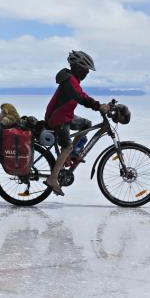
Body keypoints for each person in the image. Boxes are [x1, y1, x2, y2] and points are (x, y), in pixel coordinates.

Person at [43, 50, 110, 196]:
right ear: (78, 67)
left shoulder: (72, 79)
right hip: (58, 118)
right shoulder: (69, 81)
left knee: (86, 124)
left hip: (66, 116)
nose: (87, 73)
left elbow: (82, 95)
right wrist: (98, 106)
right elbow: (80, 97)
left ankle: (71, 155)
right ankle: (52, 178)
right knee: (66, 146)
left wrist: (100, 105)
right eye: (85, 70)